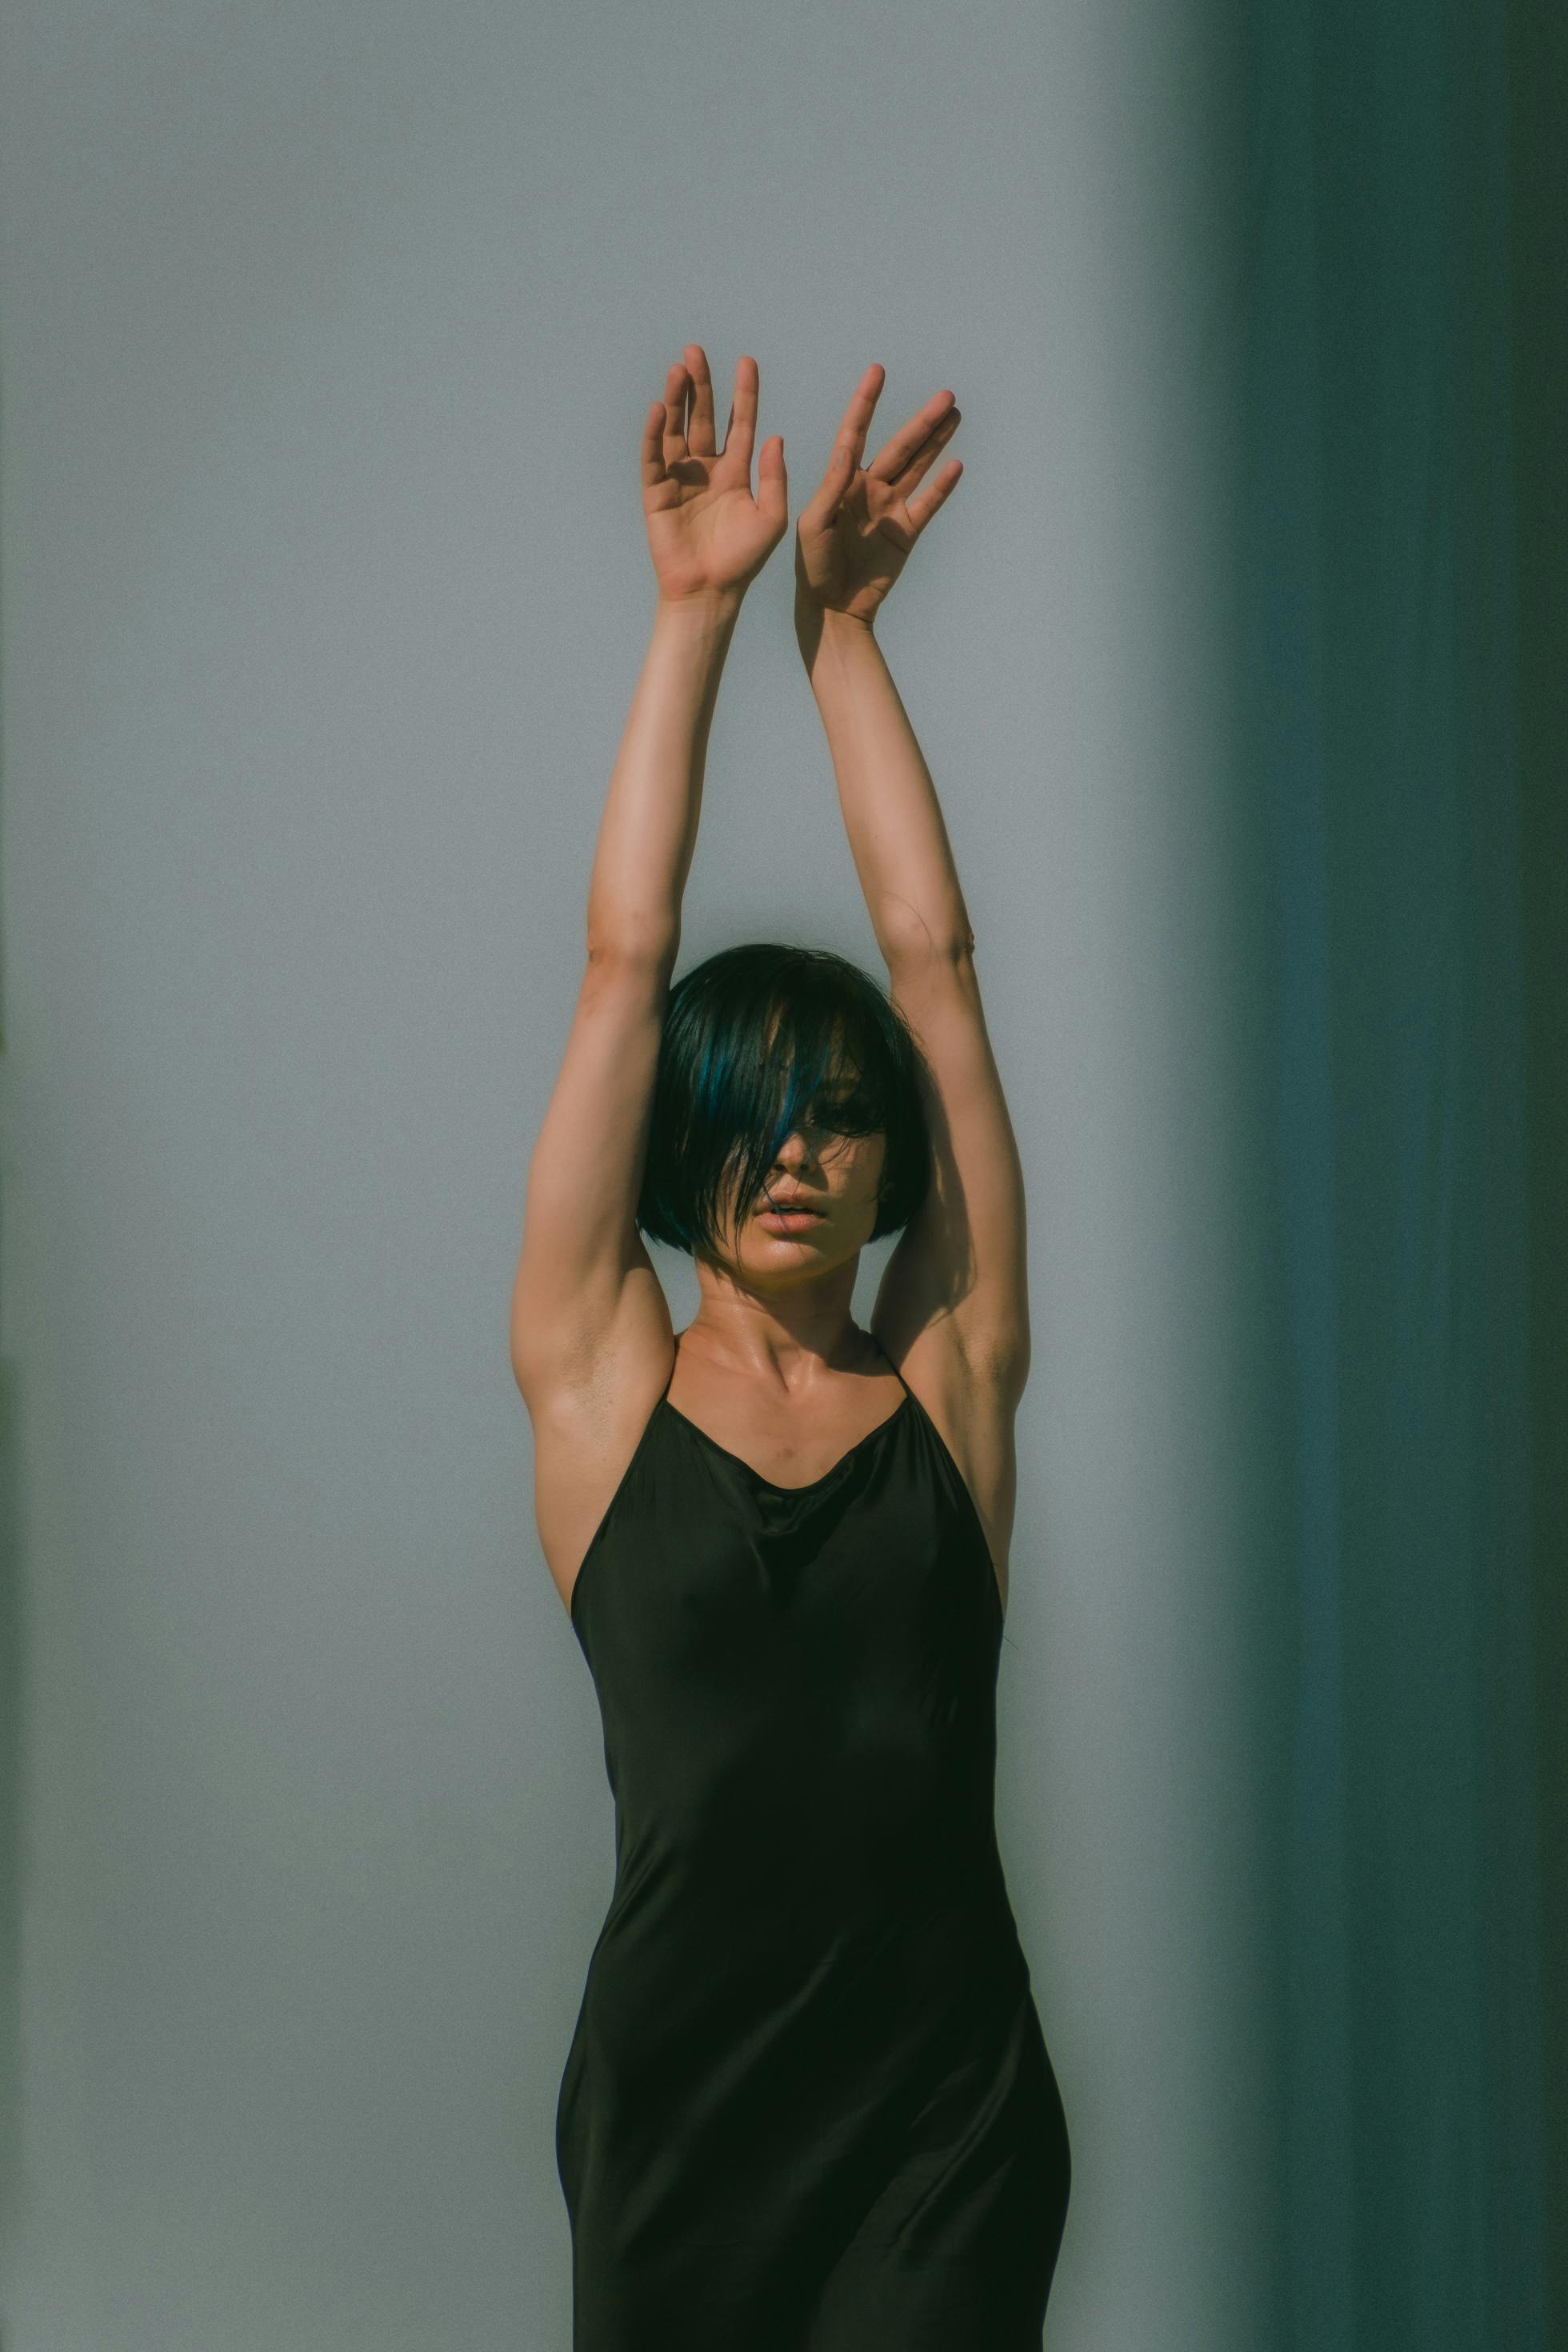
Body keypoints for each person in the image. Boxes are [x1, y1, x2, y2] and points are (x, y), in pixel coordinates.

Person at [510, 345, 1070, 2348]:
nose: (799, 1148)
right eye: (754, 1109)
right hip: (680, 2124)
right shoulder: (602, 1385)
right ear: (688, 1151)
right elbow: (620, 968)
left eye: (842, 1113)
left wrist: (839, 644)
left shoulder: (949, 1379)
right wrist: (693, 618)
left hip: (940, 2112)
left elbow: (937, 965)